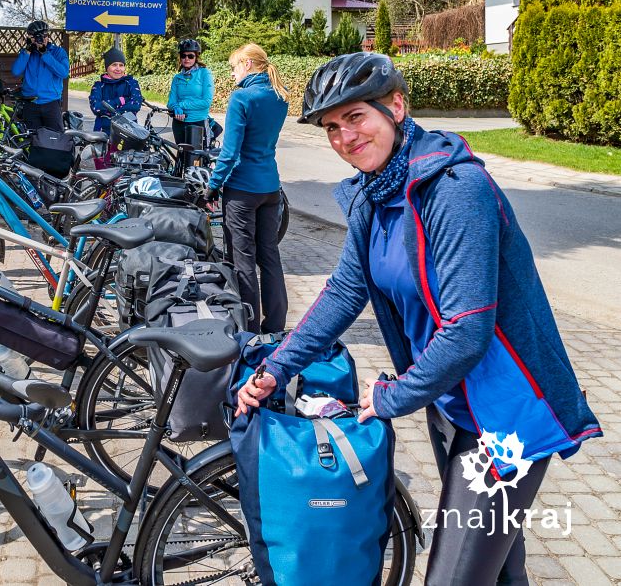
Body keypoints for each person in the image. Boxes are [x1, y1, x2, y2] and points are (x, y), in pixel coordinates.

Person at [235, 52, 602, 584]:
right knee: (499, 572)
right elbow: (344, 291)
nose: (344, 137)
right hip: (450, 401)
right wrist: (277, 366)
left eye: (355, 117)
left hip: (506, 414)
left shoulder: (454, 190)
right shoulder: (373, 192)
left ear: (397, 107)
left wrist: (389, 397)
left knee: (453, 577)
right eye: (332, 127)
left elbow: (467, 329)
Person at [203, 43, 291, 334]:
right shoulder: (280, 96)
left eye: (234, 67)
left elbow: (229, 152)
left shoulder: (242, 98)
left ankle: (249, 328)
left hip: (242, 190)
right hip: (271, 187)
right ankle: (276, 324)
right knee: (270, 257)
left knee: (243, 260)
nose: (232, 74)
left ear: (249, 64)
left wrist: (212, 187)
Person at [11, 20, 70, 132]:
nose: (41, 39)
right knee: (33, 139)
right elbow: (16, 71)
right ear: (30, 37)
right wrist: (27, 51)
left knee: (55, 138)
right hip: (30, 102)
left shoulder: (58, 52)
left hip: (51, 102)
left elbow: (63, 73)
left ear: (48, 36)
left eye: (43, 36)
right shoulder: (27, 53)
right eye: (36, 37)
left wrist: (45, 53)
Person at [167, 39, 216, 149]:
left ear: (196, 57)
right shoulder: (177, 78)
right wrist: (175, 107)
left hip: (198, 123)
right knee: (182, 158)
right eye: (183, 56)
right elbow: (171, 102)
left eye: (190, 56)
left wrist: (181, 105)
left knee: (198, 160)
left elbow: (206, 102)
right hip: (179, 123)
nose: (186, 59)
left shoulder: (204, 73)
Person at [88, 47, 143, 134]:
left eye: (121, 65)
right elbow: (96, 107)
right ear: (107, 67)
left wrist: (110, 111)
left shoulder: (132, 83)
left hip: (128, 132)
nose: (118, 68)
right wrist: (121, 100)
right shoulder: (98, 86)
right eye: (114, 65)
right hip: (103, 132)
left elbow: (136, 105)